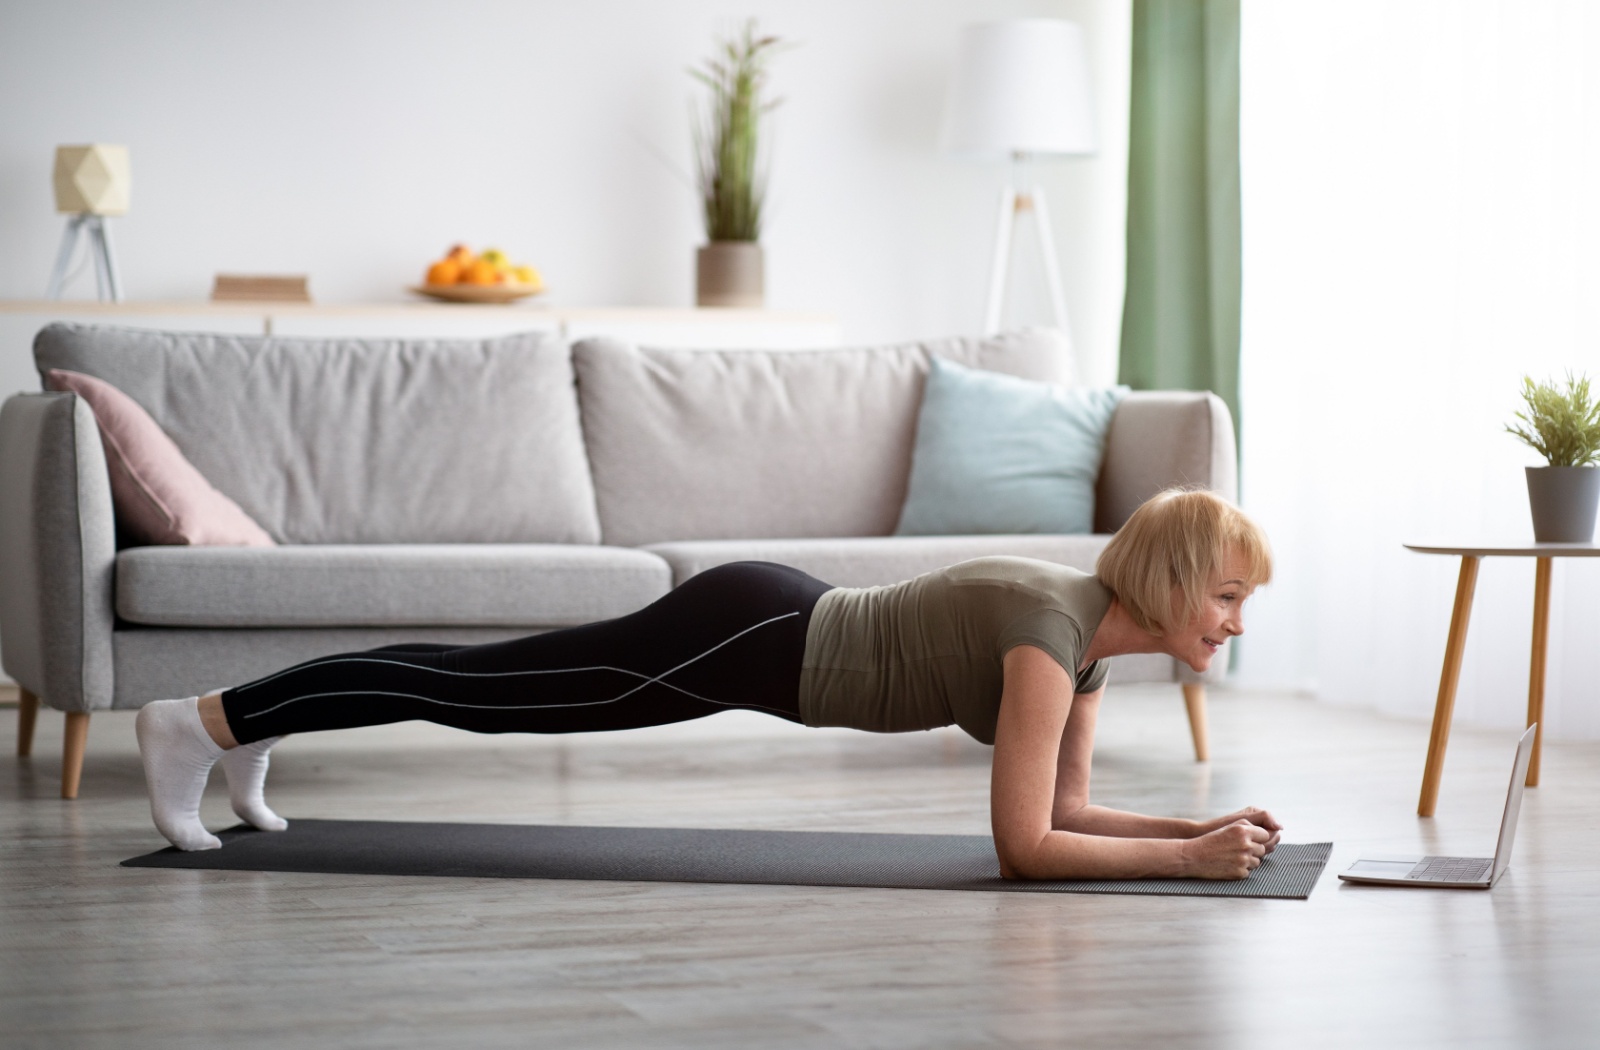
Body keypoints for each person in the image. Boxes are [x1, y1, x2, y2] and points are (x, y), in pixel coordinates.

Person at [137, 487, 1279, 880]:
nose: (1232, 623)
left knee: (482, 687)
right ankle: (202, 721)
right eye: (1225, 596)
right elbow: (1024, 851)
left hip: (771, 625)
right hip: (752, 633)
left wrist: (1198, 823)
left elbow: (1068, 815)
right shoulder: (1049, 634)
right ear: (1173, 582)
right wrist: (1182, 859)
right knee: (483, 691)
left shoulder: (1085, 650)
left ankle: (245, 724)